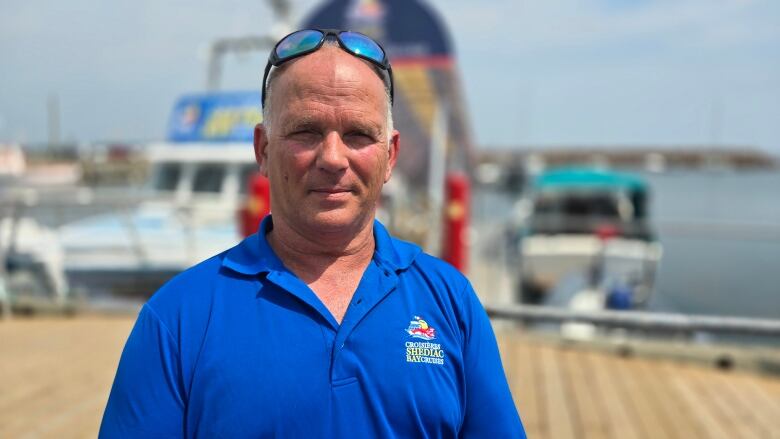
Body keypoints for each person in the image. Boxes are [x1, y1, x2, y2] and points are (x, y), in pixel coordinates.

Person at [99, 29, 525, 438]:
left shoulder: (451, 301)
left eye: (358, 135)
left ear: (390, 156)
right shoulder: (177, 318)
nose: (333, 158)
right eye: (307, 132)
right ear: (263, 150)